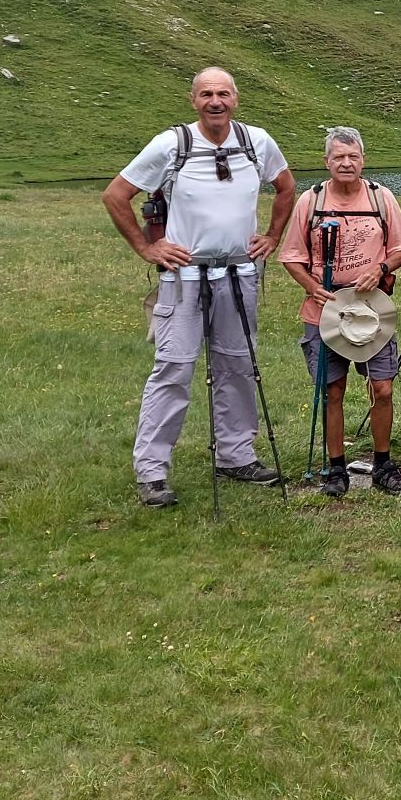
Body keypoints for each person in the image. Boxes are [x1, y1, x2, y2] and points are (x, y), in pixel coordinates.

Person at [102, 67, 295, 507]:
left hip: (239, 274)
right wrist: (146, 248)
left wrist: (272, 236)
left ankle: (236, 456)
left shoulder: (256, 142)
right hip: (184, 277)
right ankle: (152, 472)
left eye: (223, 94)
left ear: (236, 99)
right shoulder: (172, 145)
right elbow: (116, 195)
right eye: (206, 94)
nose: (215, 102)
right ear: (193, 101)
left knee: (238, 365)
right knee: (173, 368)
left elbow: (286, 188)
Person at [279, 127, 401, 498]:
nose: (346, 163)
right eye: (338, 157)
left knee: (382, 387)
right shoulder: (311, 200)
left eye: (353, 156)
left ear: (363, 160)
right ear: (326, 161)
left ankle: (383, 465)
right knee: (331, 389)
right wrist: (311, 286)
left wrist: (381, 269)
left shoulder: (381, 197)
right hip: (324, 310)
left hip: (372, 308)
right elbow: (291, 256)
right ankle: (336, 469)